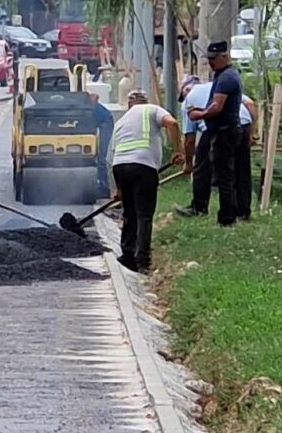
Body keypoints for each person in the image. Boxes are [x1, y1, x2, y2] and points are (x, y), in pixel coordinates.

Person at [110, 89, 184, 273]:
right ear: (145, 101)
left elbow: (111, 155)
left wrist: (118, 189)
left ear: (129, 105)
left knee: (129, 212)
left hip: (120, 167)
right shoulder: (152, 109)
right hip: (143, 167)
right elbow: (172, 123)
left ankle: (127, 255)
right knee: (144, 215)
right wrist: (177, 150)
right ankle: (142, 261)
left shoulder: (121, 121)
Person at [174, 74, 257, 219]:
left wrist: (188, 164)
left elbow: (190, 139)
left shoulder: (189, 100)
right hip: (242, 124)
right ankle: (243, 211)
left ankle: (198, 208)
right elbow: (250, 104)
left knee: (202, 168)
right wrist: (251, 133)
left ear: (185, 90)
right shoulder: (217, 86)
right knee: (241, 169)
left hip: (216, 127)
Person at [188, 41, 245, 226]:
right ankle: (226, 213)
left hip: (225, 132)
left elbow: (217, 106)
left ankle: (227, 217)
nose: (211, 63)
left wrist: (200, 114)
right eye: (209, 59)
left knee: (224, 176)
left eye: (214, 59)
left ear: (224, 56)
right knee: (224, 174)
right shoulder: (222, 75)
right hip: (222, 130)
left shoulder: (227, 78)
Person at [89, 91, 115, 199]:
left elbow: (95, 95)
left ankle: (104, 188)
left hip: (105, 122)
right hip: (96, 122)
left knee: (101, 156)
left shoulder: (80, 95)